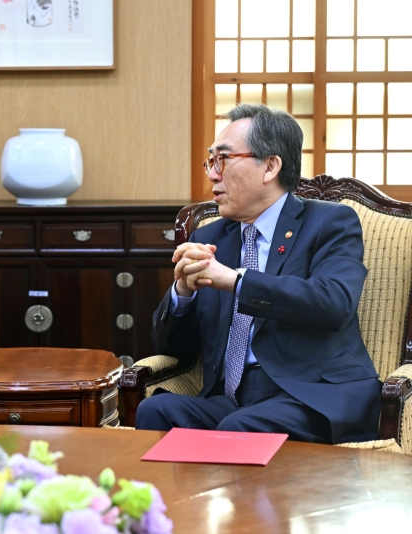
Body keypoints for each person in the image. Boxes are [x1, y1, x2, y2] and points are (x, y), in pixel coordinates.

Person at [135, 104, 380, 444]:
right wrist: (182, 293)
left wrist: (236, 281)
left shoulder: (329, 222)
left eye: (224, 159)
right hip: (234, 398)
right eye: (211, 161)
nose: (212, 174)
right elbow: (173, 348)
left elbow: (334, 303)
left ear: (269, 166)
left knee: (241, 429)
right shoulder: (209, 237)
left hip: (311, 395)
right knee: (154, 412)